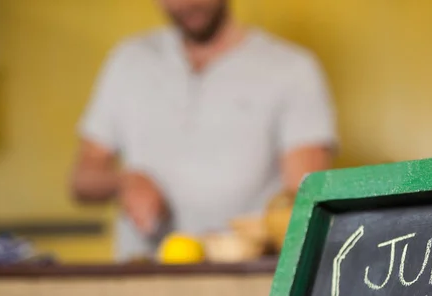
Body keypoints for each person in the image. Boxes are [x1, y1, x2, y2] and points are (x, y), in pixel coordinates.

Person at [70, 0, 337, 260]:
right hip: (141, 277)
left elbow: (304, 203)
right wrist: (124, 182)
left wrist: (237, 242)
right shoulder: (127, 61)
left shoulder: (292, 69)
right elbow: (82, 179)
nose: (185, 4)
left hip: (246, 280)